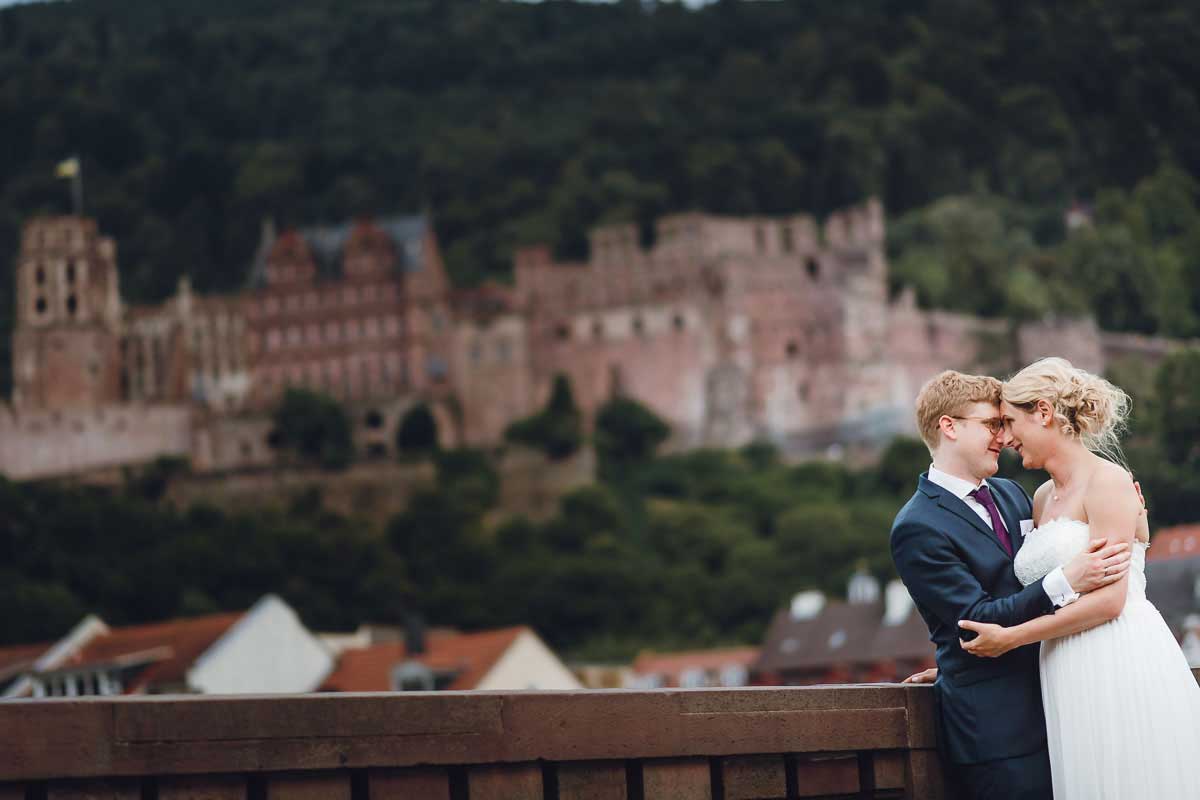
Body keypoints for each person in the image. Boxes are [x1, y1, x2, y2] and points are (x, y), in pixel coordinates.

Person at [955, 357, 1200, 799]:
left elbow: (1110, 601)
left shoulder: (1108, 481)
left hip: (1115, 652)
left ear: (1043, 413)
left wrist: (1011, 639)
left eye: (1010, 422)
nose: (1005, 438)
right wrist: (953, 663)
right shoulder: (1042, 497)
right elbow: (1035, 593)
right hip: (1061, 665)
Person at [890, 370, 1132, 800]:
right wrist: (1064, 581)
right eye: (991, 424)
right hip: (995, 731)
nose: (1003, 437)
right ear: (949, 427)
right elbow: (976, 620)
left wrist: (1134, 514)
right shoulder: (917, 526)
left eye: (1005, 424)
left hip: (1065, 700)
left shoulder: (1014, 494)